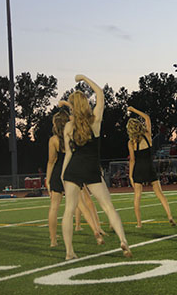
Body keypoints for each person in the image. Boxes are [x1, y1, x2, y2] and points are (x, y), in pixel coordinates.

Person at [61, 74, 131, 260]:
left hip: (73, 169)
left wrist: (62, 175)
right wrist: (84, 78)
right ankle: (123, 240)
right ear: (85, 104)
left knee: (69, 211)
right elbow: (100, 94)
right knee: (108, 207)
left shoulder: (68, 126)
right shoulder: (95, 121)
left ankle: (69, 252)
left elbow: (68, 154)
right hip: (92, 169)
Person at [46, 110, 104, 247]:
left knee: (54, 207)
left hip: (58, 171)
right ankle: (96, 231)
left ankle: (53, 240)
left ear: (55, 124)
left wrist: (48, 179)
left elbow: (51, 161)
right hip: (72, 170)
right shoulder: (72, 134)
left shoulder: (53, 140)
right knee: (82, 205)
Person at [127, 106, 175, 228]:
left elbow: (132, 160)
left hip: (138, 169)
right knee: (160, 194)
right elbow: (147, 118)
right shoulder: (147, 135)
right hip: (149, 167)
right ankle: (169, 216)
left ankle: (139, 223)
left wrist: (131, 175)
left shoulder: (131, 142)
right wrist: (134, 110)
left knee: (137, 196)